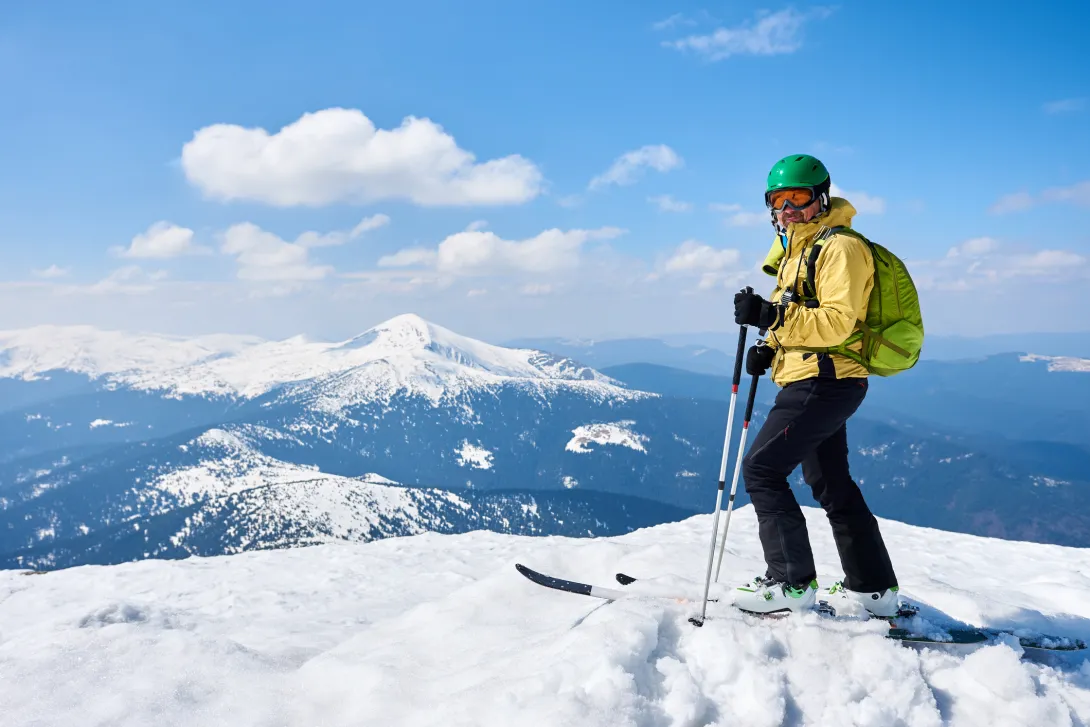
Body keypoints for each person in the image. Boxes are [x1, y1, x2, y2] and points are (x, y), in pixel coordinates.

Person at [730, 154, 900, 616]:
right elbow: (802, 314)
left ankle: (790, 584)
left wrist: (771, 316)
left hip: (824, 381)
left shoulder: (840, 248)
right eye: (778, 200)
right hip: (819, 378)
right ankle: (873, 591)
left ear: (821, 198)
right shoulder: (798, 250)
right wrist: (773, 343)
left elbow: (836, 323)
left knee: (762, 471)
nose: (788, 209)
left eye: (799, 198)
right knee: (830, 482)